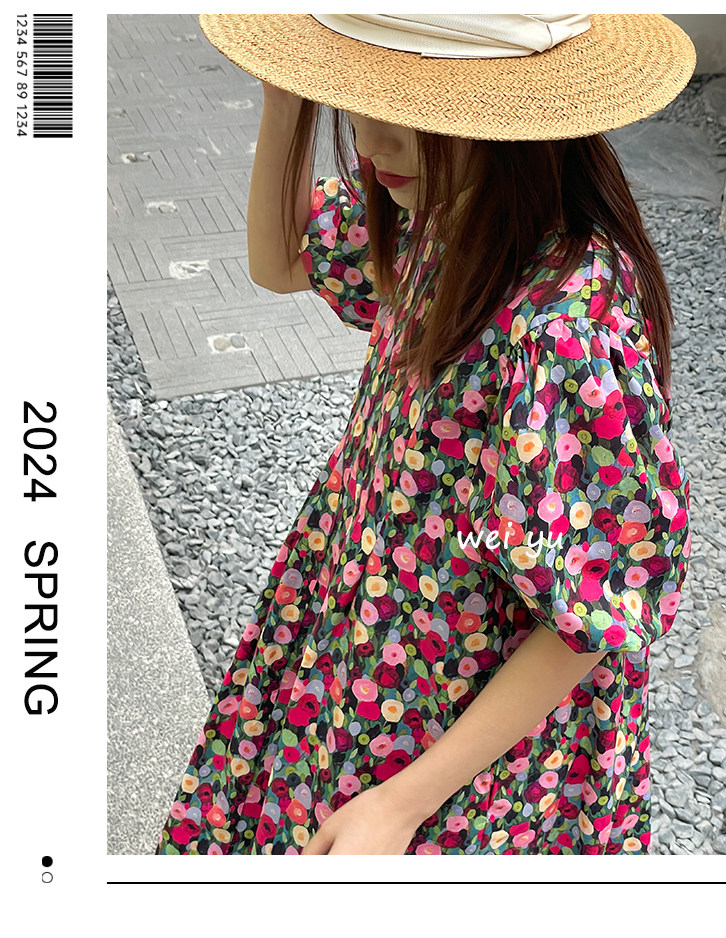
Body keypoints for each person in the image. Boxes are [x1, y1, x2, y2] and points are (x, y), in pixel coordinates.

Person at [155, 13, 694, 856]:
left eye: (417, 107)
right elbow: (281, 259)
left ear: (514, 114)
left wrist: (402, 803)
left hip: (466, 718)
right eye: (361, 97)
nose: (372, 140)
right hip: (375, 640)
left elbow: (591, 615)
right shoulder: (448, 208)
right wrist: (290, 99)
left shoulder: (564, 325)